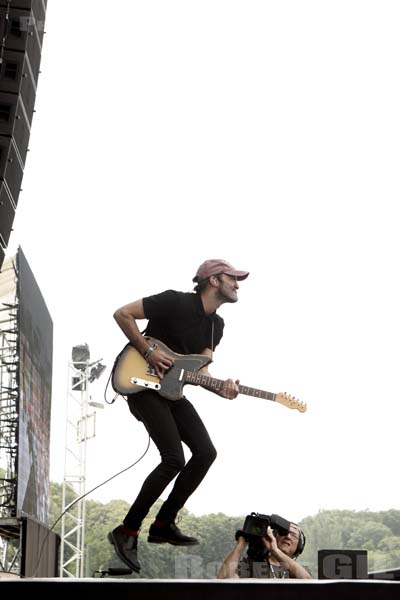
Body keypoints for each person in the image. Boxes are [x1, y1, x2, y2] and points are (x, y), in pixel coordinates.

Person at [108, 259, 249, 573]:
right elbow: (123, 314)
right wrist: (147, 350)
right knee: (174, 458)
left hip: (173, 391)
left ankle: (163, 523)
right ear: (213, 280)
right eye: (233, 278)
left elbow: (201, 372)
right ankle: (127, 531)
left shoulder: (216, 326)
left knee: (206, 453)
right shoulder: (174, 301)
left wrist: (221, 388)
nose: (238, 284)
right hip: (143, 383)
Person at [217, 521, 312, 579]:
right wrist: (241, 544)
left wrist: (275, 551)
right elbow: (223, 579)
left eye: (294, 534)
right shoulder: (251, 564)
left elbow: (309, 583)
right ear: (274, 536)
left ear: (299, 545)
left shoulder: (300, 570)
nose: (287, 536)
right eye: (283, 532)